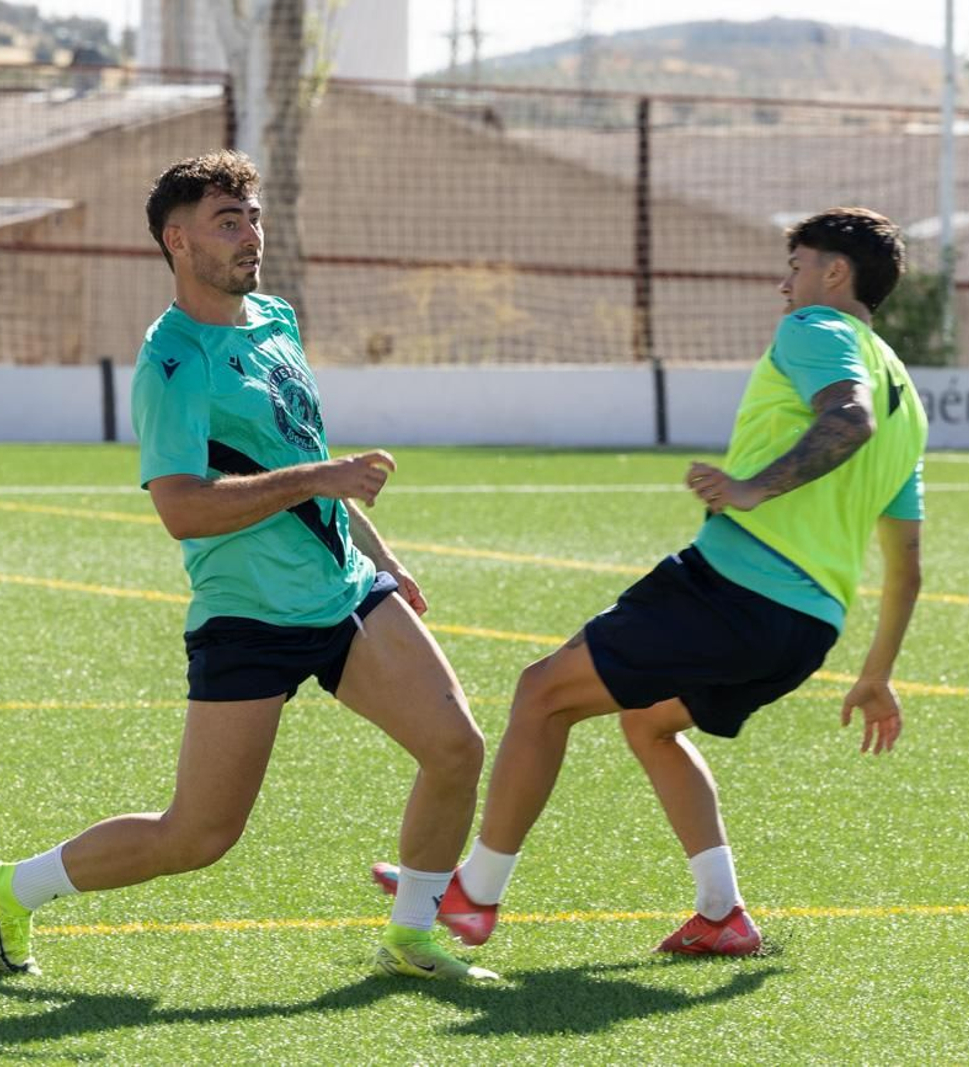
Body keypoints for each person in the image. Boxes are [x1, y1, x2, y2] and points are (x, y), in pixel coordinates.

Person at [0, 150, 494, 982]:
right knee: (198, 836)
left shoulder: (275, 317)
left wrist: (380, 554)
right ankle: (10, 887)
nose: (250, 235)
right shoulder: (173, 363)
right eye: (226, 221)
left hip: (346, 594)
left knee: (457, 746)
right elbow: (181, 506)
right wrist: (316, 480)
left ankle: (411, 935)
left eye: (252, 217)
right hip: (249, 614)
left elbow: (298, 451)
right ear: (177, 241)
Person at [374, 206, 927, 956]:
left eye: (796, 267)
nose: (785, 285)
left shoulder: (816, 328)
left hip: (734, 589)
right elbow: (907, 563)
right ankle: (722, 913)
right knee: (649, 722)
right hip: (806, 630)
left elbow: (848, 418)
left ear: (835, 273)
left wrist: (753, 487)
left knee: (541, 694)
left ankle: (475, 893)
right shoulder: (909, 397)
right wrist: (877, 673)